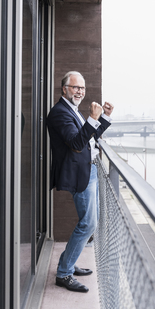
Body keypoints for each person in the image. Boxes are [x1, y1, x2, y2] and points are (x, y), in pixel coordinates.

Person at [47, 71, 114, 293]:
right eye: (75, 87)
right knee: (88, 223)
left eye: (82, 88)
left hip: (89, 170)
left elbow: (89, 137)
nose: (80, 91)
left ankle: (68, 264)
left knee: (88, 222)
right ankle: (64, 273)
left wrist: (103, 117)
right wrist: (92, 119)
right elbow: (77, 143)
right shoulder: (59, 113)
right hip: (80, 174)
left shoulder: (72, 110)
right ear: (63, 89)